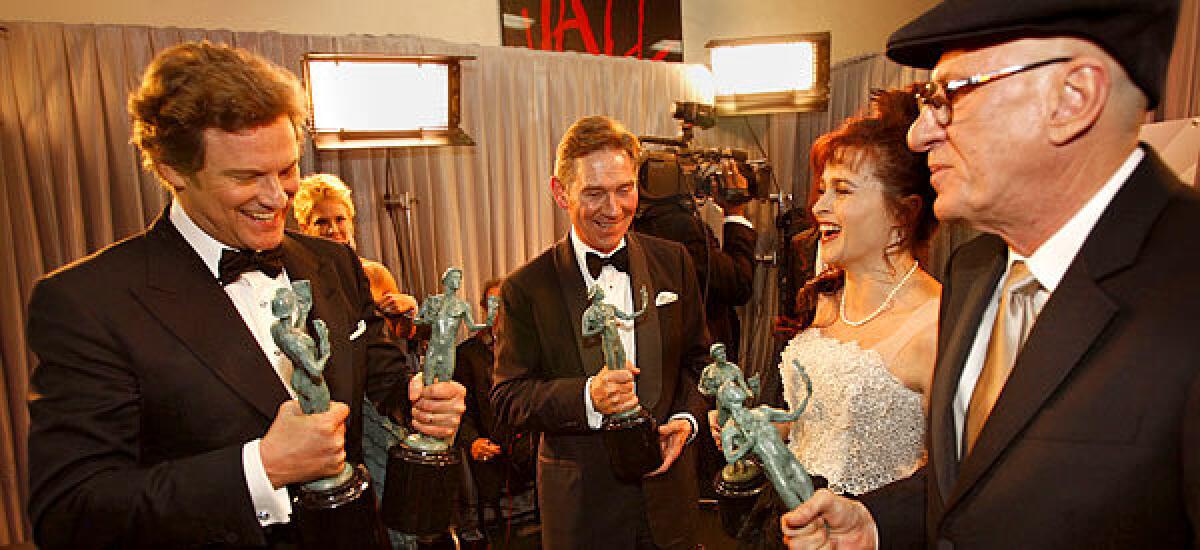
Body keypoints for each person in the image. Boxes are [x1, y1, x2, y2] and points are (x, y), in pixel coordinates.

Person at [781, 0, 1200, 548]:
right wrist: (878, 521)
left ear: (1073, 98)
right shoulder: (975, 270)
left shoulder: (1183, 288)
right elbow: (981, 476)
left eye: (948, 97)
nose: (918, 135)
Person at [25, 41, 466, 549]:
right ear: (172, 170)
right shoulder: (88, 301)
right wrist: (262, 468)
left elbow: (380, 376)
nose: (278, 198)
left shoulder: (333, 262)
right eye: (246, 177)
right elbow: (70, 512)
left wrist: (420, 400)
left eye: (285, 169)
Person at [491, 115, 710, 549]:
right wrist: (587, 397)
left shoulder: (675, 261)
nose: (613, 209)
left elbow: (699, 363)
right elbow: (507, 397)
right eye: (594, 193)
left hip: (670, 505)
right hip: (582, 512)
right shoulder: (525, 287)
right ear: (560, 192)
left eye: (624, 189)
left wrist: (687, 421)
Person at [778, 87, 940, 498]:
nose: (818, 207)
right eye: (824, 189)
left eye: (843, 191)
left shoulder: (938, 324)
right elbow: (815, 426)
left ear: (902, 213)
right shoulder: (825, 300)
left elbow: (948, 480)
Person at [453, 279, 538, 528]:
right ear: (483, 308)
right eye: (493, 304)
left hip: (528, 443)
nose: (500, 311)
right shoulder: (467, 355)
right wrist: (472, 442)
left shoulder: (530, 348)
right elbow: (462, 411)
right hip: (491, 444)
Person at [294, 173, 418, 339]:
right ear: (304, 228)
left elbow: (403, 333)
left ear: (351, 222)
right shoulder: (297, 276)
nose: (333, 230)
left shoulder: (374, 274)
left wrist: (408, 308)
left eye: (340, 219)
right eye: (321, 222)